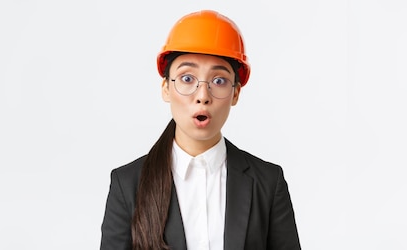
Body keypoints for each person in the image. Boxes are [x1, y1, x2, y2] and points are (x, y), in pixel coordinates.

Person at [100, 9, 301, 250]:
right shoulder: (127, 184)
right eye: (187, 79)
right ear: (166, 88)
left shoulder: (267, 183)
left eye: (219, 81)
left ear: (235, 93)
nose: (203, 96)